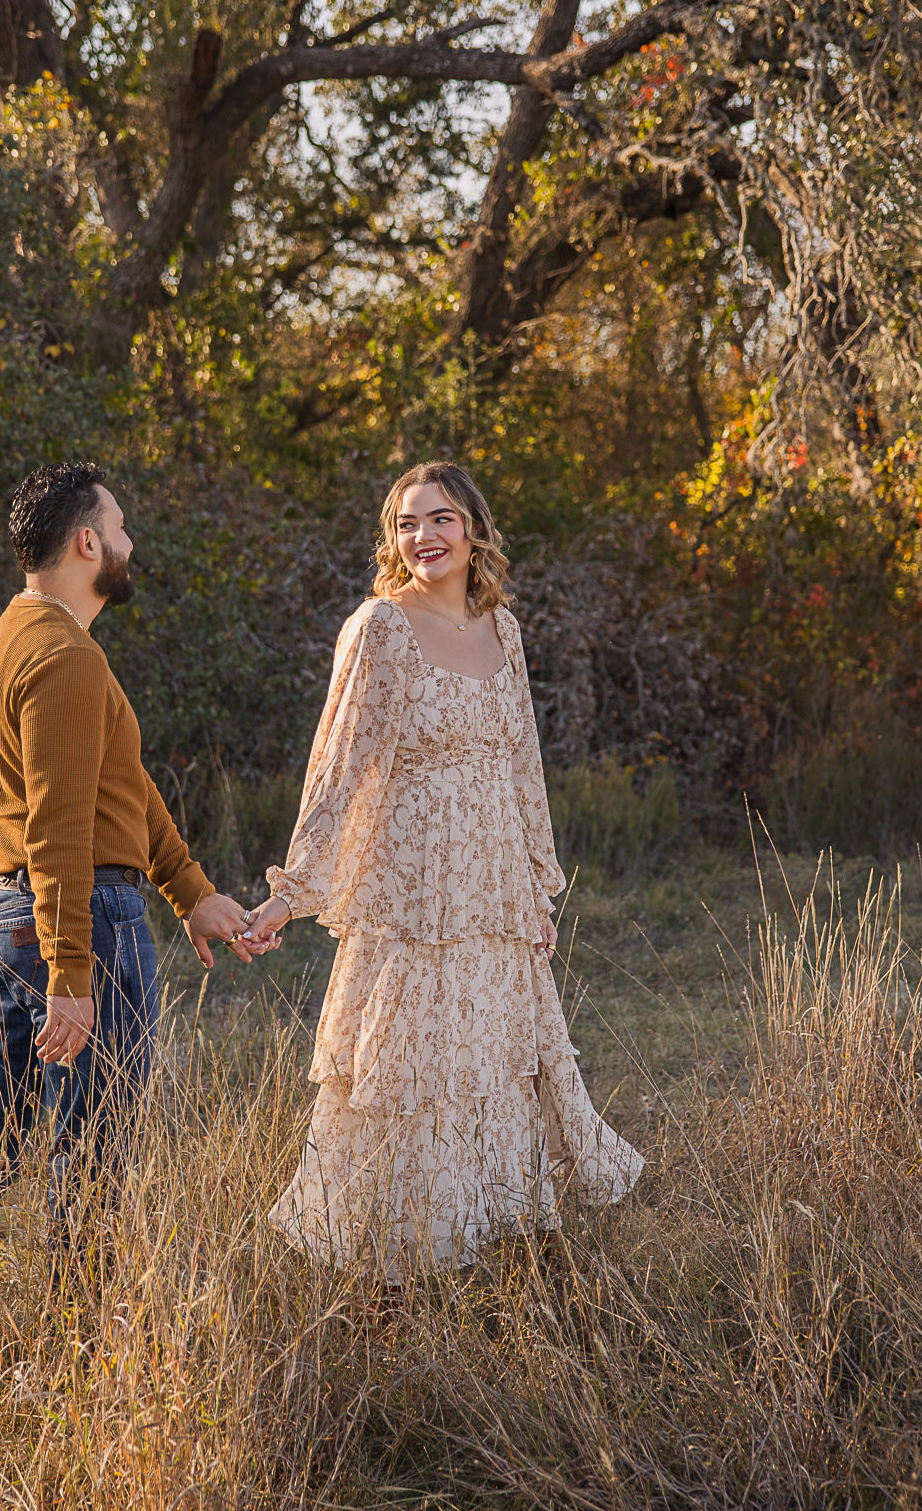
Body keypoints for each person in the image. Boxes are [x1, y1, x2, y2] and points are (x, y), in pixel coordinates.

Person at [0, 462, 259, 1419]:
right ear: (87, 542)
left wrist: (191, 891)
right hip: (73, 921)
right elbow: (59, 830)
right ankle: (79, 1380)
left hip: (12, 914)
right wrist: (71, 975)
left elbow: (118, 787)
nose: (129, 544)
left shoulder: (22, 634)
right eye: (120, 528)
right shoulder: (65, 656)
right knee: (91, 1159)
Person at [243, 461, 643, 1271]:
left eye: (440, 519)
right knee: (408, 1071)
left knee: (490, 1063)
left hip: (492, 890)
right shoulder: (380, 628)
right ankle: (388, 1266)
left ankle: (488, 1236)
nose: (422, 536)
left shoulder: (504, 629)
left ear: (474, 531)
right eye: (406, 523)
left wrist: (535, 891)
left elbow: (522, 765)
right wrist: (291, 893)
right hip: (413, 893)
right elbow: (339, 767)